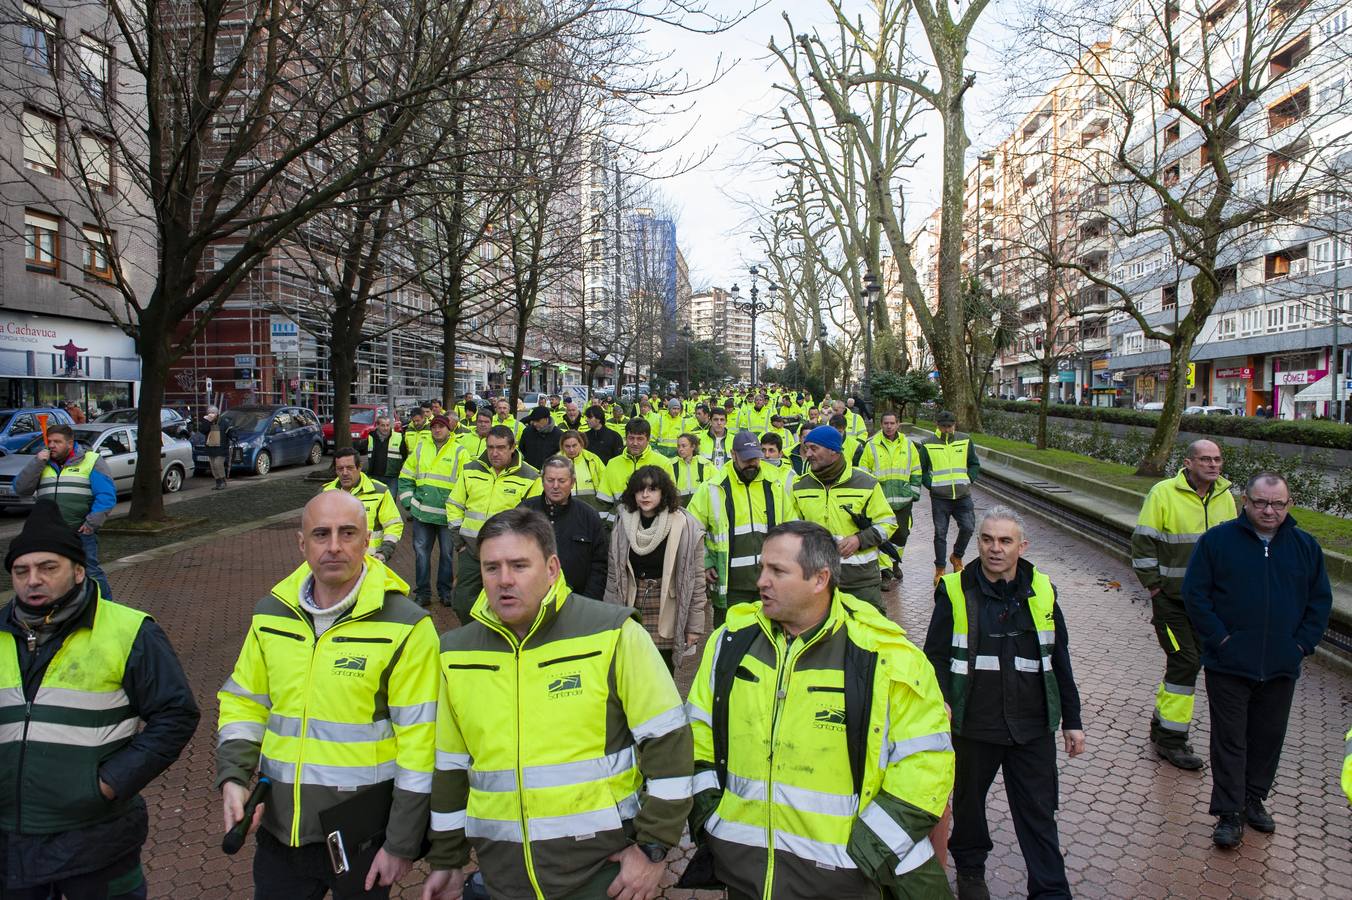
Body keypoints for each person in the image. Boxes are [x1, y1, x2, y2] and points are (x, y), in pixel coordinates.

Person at [422, 507, 693, 900]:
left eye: (519, 565)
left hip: (602, 875)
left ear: (551, 568)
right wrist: (447, 860)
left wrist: (653, 849)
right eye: (491, 568)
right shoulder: (454, 652)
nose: (504, 580)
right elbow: (450, 764)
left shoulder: (613, 632)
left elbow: (669, 744)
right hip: (503, 874)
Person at [686, 521, 953, 899]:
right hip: (744, 872)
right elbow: (697, 732)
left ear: (819, 579)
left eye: (777, 571)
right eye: (763, 568)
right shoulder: (730, 642)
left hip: (844, 879)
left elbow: (925, 760)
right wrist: (710, 818)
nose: (761, 581)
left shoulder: (886, 657)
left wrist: (870, 848)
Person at [218, 492, 438, 900]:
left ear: (367, 539)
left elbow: (421, 744)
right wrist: (233, 777)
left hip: (362, 835)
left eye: (347, 533)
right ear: (302, 544)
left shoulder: (407, 626)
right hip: (280, 829)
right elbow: (244, 702)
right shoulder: (270, 615)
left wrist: (402, 842)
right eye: (321, 534)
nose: (334, 546)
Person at [1, 499, 199, 900]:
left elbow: (175, 714)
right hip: (10, 847)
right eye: (21, 571)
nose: (32, 580)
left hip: (96, 843)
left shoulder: (129, 630)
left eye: (47, 567)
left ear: (78, 570)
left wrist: (109, 783)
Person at [923, 506, 1085, 900]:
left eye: (1005, 541)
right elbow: (936, 656)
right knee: (969, 804)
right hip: (974, 722)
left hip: (1032, 723)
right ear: (979, 542)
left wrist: (1072, 719)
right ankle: (972, 870)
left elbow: (1058, 655)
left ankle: (1049, 890)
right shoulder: (955, 590)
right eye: (987, 539)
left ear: (1022, 546)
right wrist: (942, 700)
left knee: (1039, 811)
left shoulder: (1043, 589)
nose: (995, 549)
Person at [1182, 472, 1332, 848]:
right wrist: (1222, 639)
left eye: (1278, 504)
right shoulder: (1217, 542)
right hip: (1228, 663)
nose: (1269, 510)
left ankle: (1253, 799)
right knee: (1230, 740)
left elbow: (1319, 602)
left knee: (1267, 739)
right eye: (1261, 502)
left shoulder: (1305, 547)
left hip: (1281, 664)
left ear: (1288, 505)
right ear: (1245, 501)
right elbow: (1196, 596)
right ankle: (1228, 813)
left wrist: (1300, 646)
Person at [1131, 439, 1236, 770]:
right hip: (1172, 601)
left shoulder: (1225, 497)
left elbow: (1234, 545)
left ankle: (1162, 724)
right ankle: (1172, 741)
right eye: (1205, 459)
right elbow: (1143, 540)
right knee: (1185, 662)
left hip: (1209, 604)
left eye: (1217, 459)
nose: (1213, 465)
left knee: (1187, 664)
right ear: (1188, 463)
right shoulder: (1163, 493)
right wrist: (1155, 588)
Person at [603, 465, 708, 672]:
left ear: (663, 492)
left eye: (652, 489)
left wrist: (694, 627)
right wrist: (610, 617)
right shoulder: (622, 522)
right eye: (640, 489)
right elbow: (614, 576)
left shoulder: (685, 525)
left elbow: (695, 580)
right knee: (631, 672)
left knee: (662, 674)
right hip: (631, 605)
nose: (645, 495)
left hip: (667, 608)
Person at [786, 425, 896, 611]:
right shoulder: (799, 486)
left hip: (860, 581)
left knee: (868, 635)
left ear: (833, 451)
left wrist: (859, 540)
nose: (809, 454)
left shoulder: (866, 483)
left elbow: (888, 523)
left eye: (814, 448)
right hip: (817, 581)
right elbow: (792, 529)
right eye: (807, 448)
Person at [687, 431, 788, 628]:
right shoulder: (713, 488)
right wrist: (706, 562)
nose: (752, 463)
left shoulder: (774, 485)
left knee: (768, 641)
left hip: (769, 581)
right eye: (746, 459)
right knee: (730, 640)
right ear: (733, 455)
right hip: (730, 585)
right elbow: (691, 528)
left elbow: (790, 526)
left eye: (756, 458)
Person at [445, 426, 542, 622]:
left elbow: (533, 519)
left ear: (512, 447)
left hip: (507, 555)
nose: (494, 453)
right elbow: (454, 505)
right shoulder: (470, 470)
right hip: (471, 551)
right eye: (490, 447)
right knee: (462, 602)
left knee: (505, 602)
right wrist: (459, 542)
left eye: (500, 447)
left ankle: (497, 641)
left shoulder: (530, 477)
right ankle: (472, 637)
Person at [14, 423, 116, 601]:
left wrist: (91, 524)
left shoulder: (91, 460)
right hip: (48, 533)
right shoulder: (42, 462)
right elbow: (21, 489)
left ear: (70, 443)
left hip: (79, 531)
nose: (52, 445)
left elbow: (106, 496)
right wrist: (37, 462)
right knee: (52, 573)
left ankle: (105, 605)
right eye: (50, 441)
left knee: (90, 570)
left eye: (57, 442)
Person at [397, 415, 467, 608]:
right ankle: (423, 593)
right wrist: (409, 504)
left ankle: (445, 592)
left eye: (441, 427)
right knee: (421, 555)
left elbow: (465, 484)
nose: (437, 430)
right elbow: (405, 477)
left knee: (446, 555)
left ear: (448, 429)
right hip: (422, 514)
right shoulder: (421, 449)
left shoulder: (460, 452)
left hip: (447, 516)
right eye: (434, 427)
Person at [521, 455, 608, 599]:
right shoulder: (524, 512)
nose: (555, 486)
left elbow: (600, 564)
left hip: (577, 602)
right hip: (531, 600)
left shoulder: (589, 516)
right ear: (542, 481)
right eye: (550, 480)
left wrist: (587, 601)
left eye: (562, 481)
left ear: (573, 482)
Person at [859, 411, 923, 591]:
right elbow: (864, 472)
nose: (889, 426)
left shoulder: (908, 445)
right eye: (885, 423)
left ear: (898, 424)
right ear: (881, 425)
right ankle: (886, 573)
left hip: (903, 501)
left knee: (902, 535)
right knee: (882, 537)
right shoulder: (871, 446)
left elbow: (916, 470)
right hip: (881, 501)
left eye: (892, 423)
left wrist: (914, 493)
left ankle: (895, 563)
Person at [918, 410, 981, 586]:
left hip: (962, 495)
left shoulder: (965, 440)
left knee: (968, 527)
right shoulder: (927, 444)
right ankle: (940, 568)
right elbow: (922, 470)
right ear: (937, 425)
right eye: (944, 426)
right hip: (940, 497)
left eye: (950, 426)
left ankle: (957, 556)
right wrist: (931, 485)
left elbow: (974, 463)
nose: (947, 429)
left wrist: (969, 479)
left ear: (955, 425)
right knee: (940, 533)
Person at [323, 448, 403, 563]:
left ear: (359, 467)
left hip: (371, 560)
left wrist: (384, 551)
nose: (344, 473)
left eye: (350, 468)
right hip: (337, 562)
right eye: (340, 469)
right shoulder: (325, 494)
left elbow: (393, 524)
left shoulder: (379, 491)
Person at [596, 418, 674, 524]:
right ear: (625, 438)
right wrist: (607, 528)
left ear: (648, 439)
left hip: (653, 528)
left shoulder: (663, 463)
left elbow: (670, 500)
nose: (635, 443)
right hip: (619, 527)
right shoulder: (612, 464)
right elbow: (603, 502)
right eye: (631, 438)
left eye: (640, 439)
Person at [362, 415, 405, 493]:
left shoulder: (399, 437)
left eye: (387, 425)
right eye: (383, 425)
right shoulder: (371, 437)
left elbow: (405, 456)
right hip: (374, 476)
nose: (386, 428)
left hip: (392, 477)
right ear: (377, 426)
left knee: (391, 501)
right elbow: (361, 451)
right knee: (377, 500)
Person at [200, 405, 237, 490]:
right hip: (211, 447)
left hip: (221, 447)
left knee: (218, 464)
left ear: (217, 413)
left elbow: (229, 431)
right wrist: (208, 422)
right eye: (209, 413)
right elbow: (203, 430)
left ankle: (223, 481)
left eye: (213, 413)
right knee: (213, 465)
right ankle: (218, 482)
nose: (211, 414)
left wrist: (233, 437)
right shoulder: (207, 422)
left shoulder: (223, 421)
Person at [671, 433, 714, 505]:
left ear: (693, 447)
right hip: (678, 505)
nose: (680, 449)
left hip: (700, 504)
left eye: (684, 446)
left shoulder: (705, 464)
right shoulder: (671, 464)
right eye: (678, 446)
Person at [518, 405, 562, 470]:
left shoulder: (559, 434)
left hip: (549, 473)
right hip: (529, 473)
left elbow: (561, 456)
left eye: (538, 421)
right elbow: (521, 450)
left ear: (547, 419)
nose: (535, 424)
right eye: (533, 421)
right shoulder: (527, 431)